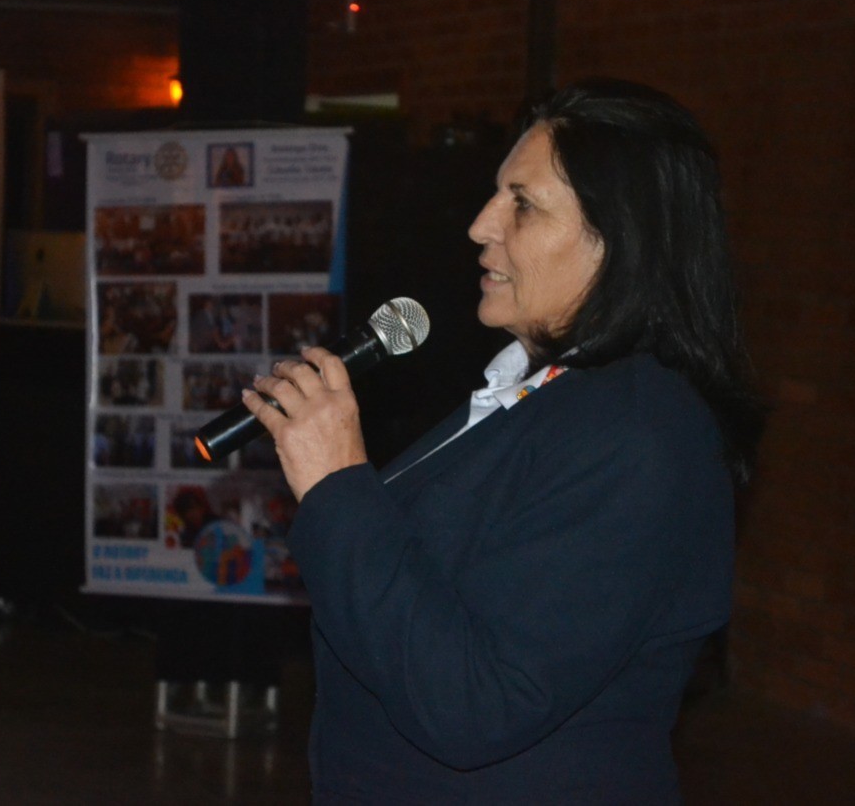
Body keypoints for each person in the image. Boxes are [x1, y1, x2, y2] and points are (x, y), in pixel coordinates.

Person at [242, 79, 765, 803]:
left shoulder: (639, 436)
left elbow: (475, 704)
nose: (481, 225)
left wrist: (337, 484)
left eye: (523, 204)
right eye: (496, 195)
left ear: (621, 239)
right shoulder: (538, 392)